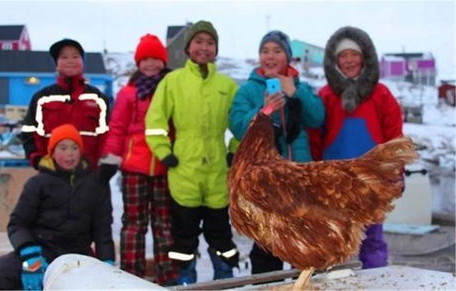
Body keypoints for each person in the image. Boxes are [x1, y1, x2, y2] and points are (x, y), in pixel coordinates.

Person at [144, 20, 239, 284]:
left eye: (210, 43)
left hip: (218, 168)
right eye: (199, 41)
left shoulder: (227, 86)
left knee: (220, 230)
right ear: (188, 47)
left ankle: (225, 275)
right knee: (184, 232)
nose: (204, 48)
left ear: (216, 49)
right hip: (183, 167)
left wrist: (235, 150)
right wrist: (164, 152)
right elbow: (155, 121)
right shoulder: (173, 81)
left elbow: (243, 123)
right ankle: (185, 278)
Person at [0, 124, 115, 290]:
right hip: (41, 251)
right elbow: (18, 224)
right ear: (52, 151)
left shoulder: (95, 185)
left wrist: (106, 264)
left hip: (77, 257)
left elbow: (103, 232)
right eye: (63, 148)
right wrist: (31, 256)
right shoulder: (38, 183)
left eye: (74, 147)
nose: (69, 153)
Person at [228, 30, 324, 275]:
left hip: (298, 178)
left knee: (304, 244)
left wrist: (295, 92)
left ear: (288, 57)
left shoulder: (299, 86)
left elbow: (318, 118)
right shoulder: (248, 90)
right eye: (265, 51)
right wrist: (265, 110)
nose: (269, 56)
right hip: (266, 182)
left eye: (277, 51)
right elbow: (238, 127)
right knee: (266, 246)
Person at [309, 26, 403, 269]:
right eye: (343, 55)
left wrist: (395, 172)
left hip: (372, 180)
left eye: (354, 54)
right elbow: (316, 137)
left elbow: (394, 137)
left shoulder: (381, 94)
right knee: (333, 238)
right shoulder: (326, 95)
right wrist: (313, 174)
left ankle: (375, 280)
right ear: (335, 60)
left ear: (365, 57)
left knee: (371, 237)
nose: (349, 60)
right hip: (334, 182)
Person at [98, 34, 177, 286]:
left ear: (163, 62)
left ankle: (168, 275)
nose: (151, 64)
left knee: (164, 225)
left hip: (166, 166)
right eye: (146, 59)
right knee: (134, 224)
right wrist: (111, 158)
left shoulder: (171, 89)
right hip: (135, 167)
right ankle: (131, 275)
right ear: (138, 62)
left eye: (156, 59)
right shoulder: (129, 92)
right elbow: (117, 127)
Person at [20, 39, 110, 171]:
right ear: (57, 64)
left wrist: (103, 167)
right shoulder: (42, 98)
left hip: (90, 174)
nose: (70, 60)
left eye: (75, 56)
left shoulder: (97, 98)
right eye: (64, 57)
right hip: (52, 174)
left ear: (82, 62)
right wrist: (37, 159)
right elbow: (29, 132)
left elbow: (108, 135)